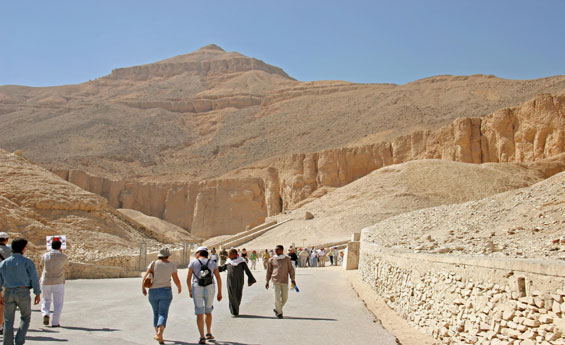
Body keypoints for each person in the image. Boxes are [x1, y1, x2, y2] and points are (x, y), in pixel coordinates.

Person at [0, 238, 41, 345]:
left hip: (8, 292)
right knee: (26, 317)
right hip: (23, 292)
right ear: (23, 249)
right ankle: (19, 340)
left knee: (8, 321)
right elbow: (34, 278)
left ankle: (7, 343)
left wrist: (0, 294)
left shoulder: (4, 263)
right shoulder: (27, 262)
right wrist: (37, 292)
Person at [142, 247, 181, 344]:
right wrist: (179, 287)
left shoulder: (153, 263)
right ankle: (159, 333)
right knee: (163, 313)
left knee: (156, 313)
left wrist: (143, 287)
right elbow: (176, 278)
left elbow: (145, 276)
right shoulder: (171, 265)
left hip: (153, 292)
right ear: (168, 256)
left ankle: (159, 335)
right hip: (166, 291)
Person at [188, 247, 222, 345]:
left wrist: (190, 290)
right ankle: (208, 333)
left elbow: (188, 278)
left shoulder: (193, 262)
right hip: (210, 287)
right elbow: (218, 278)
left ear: (199, 253)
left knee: (199, 312)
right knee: (208, 311)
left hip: (197, 287)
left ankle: (202, 337)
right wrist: (219, 292)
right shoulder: (212, 263)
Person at [218, 249, 256, 316]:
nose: (228, 255)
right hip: (230, 281)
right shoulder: (228, 262)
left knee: (238, 294)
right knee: (231, 295)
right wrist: (212, 268)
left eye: (230, 254)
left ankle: (236, 308)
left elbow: (247, 271)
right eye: (228, 254)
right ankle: (234, 311)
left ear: (235, 254)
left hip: (239, 280)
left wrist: (250, 279)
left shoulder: (241, 261)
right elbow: (221, 268)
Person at [40, 239, 68, 328]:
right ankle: (55, 322)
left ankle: (45, 313)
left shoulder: (45, 255)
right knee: (58, 302)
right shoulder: (63, 257)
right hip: (58, 281)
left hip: (46, 281)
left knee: (45, 299)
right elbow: (66, 265)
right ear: (60, 247)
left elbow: (41, 265)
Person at [265, 245, 296, 319]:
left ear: (282, 250)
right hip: (275, 280)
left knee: (285, 298)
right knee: (277, 297)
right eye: (275, 249)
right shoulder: (271, 259)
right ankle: (279, 313)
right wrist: (267, 281)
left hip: (284, 280)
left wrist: (293, 279)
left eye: (277, 249)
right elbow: (269, 271)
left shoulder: (287, 259)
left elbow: (291, 269)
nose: (276, 251)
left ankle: (277, 309)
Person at [0, 232, 11, 335]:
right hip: (4, 280)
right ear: (6, 240)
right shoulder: (9, 250)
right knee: (2, 304)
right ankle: (1, 325)